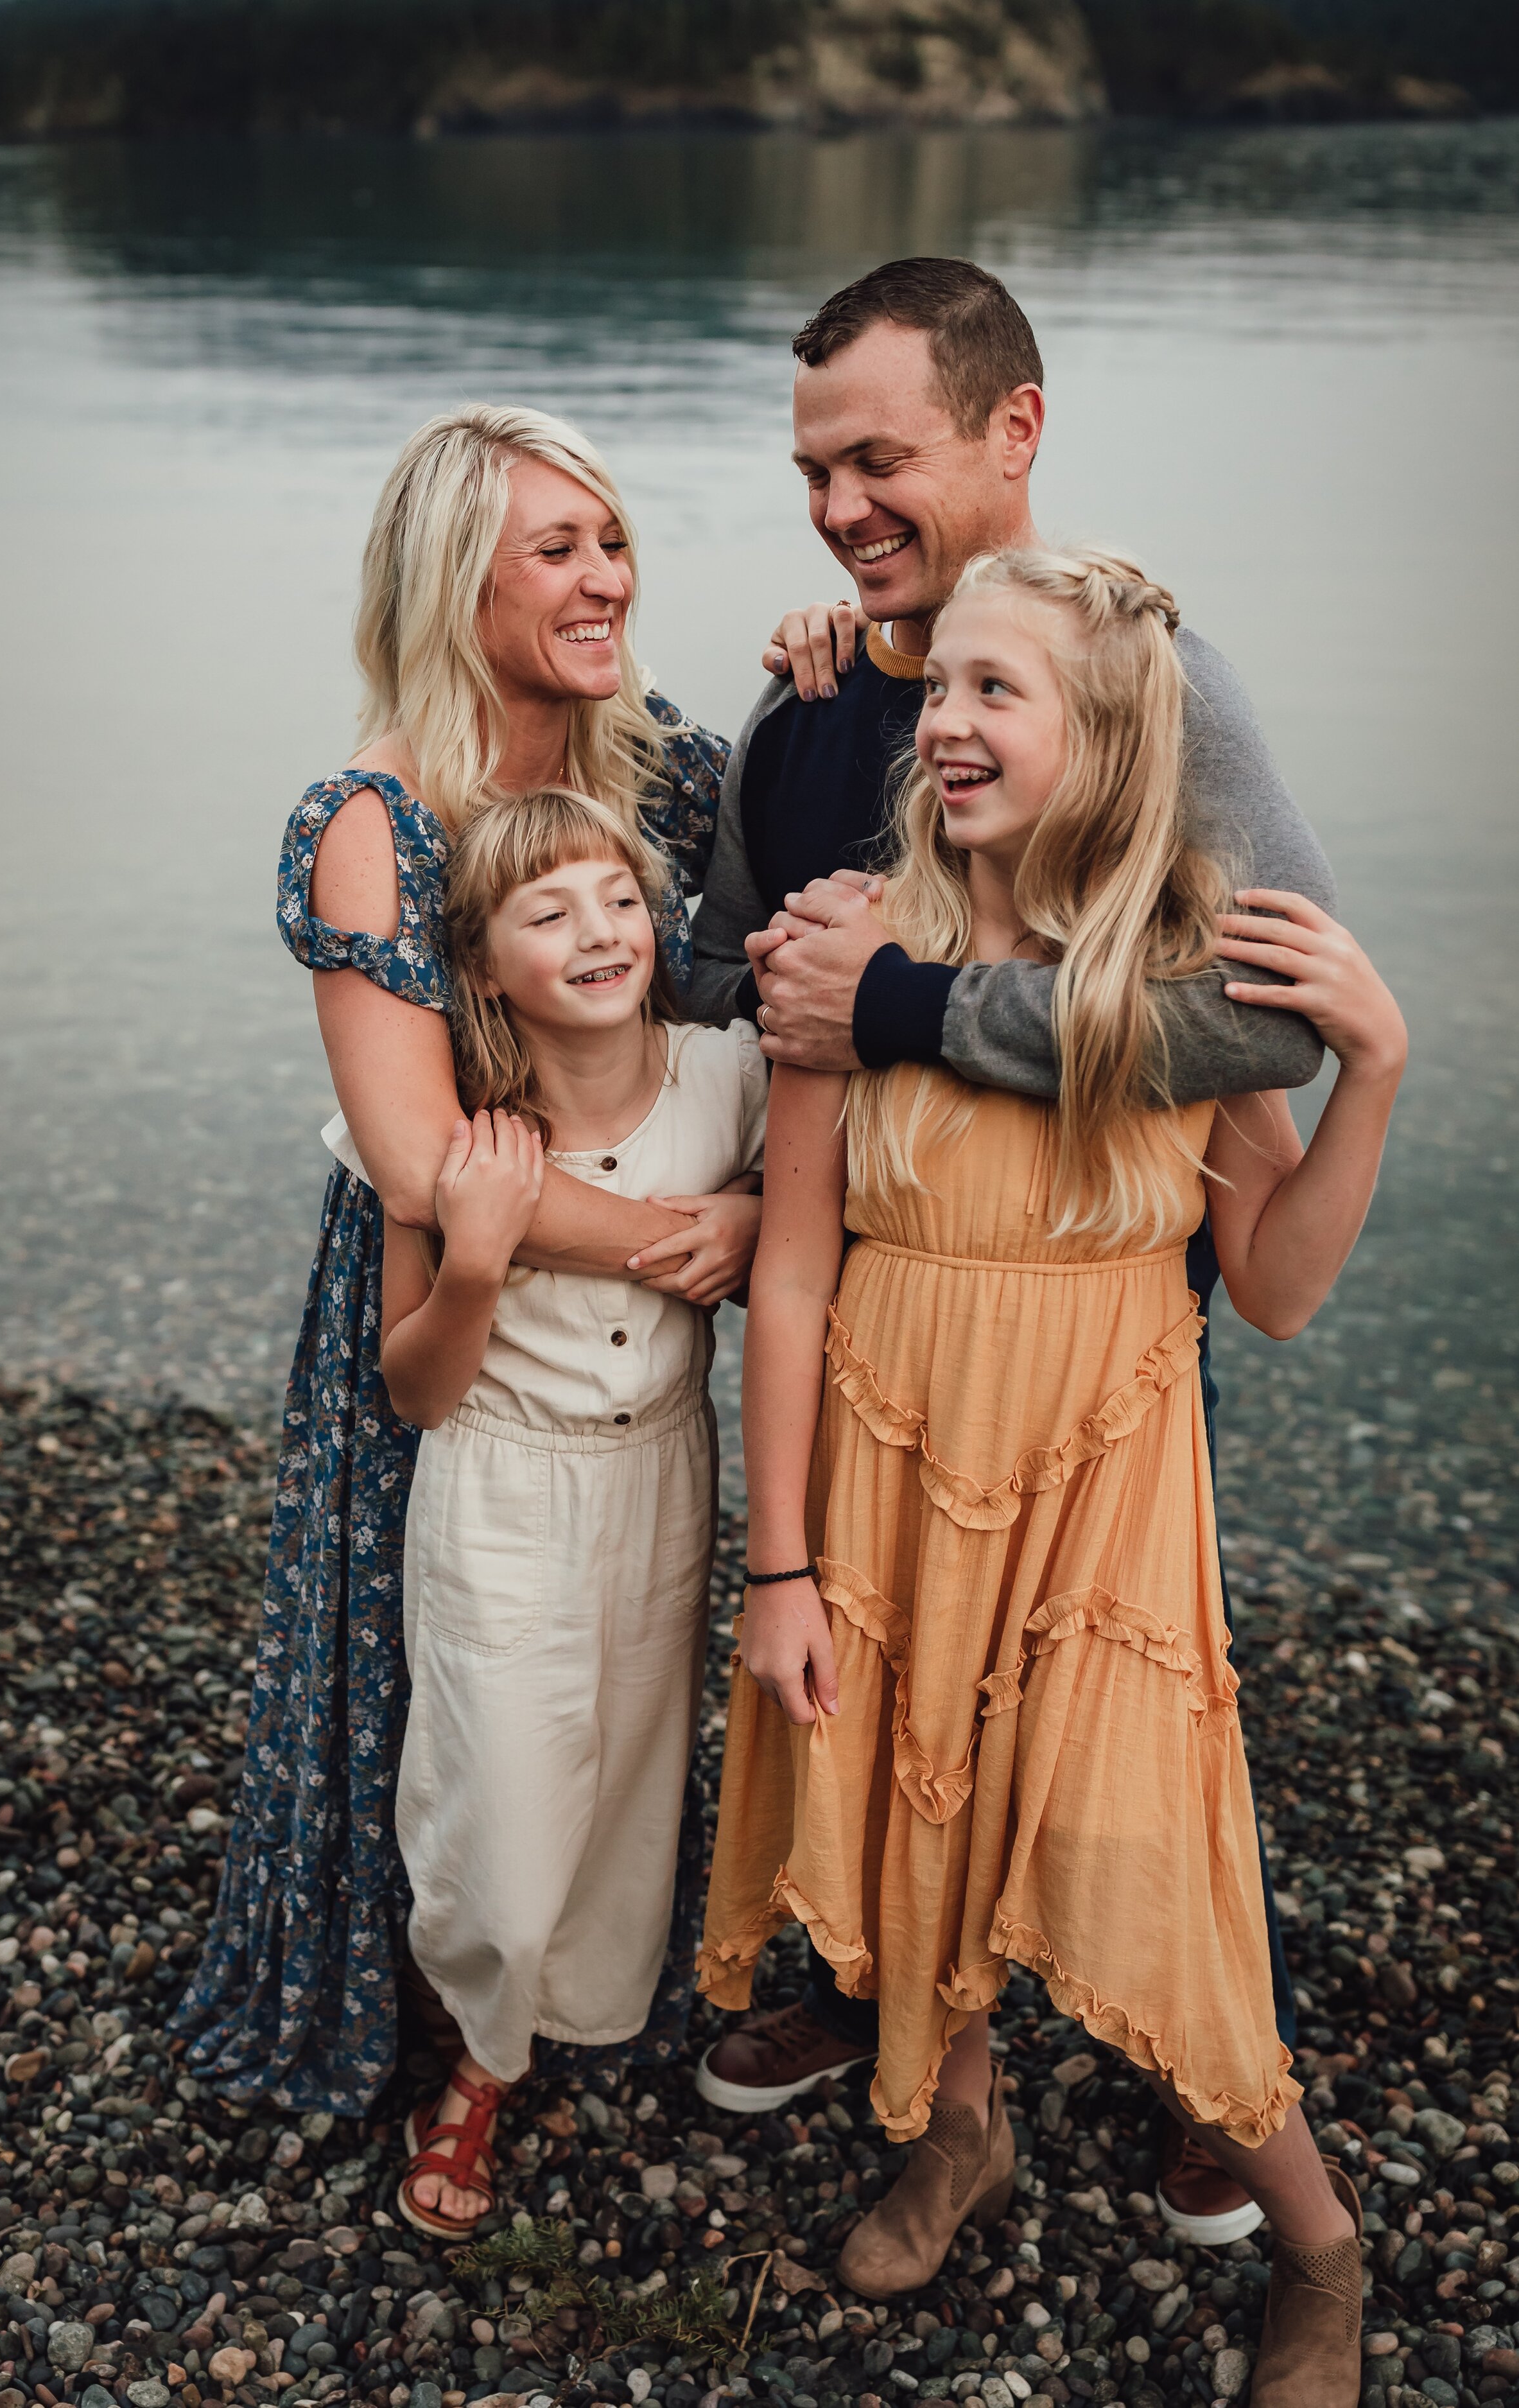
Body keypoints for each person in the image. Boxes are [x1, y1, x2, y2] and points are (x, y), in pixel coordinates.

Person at [700, 548, 1405, 2402]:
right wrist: (777, 1568)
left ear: (1105, 744)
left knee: (1132, 1852)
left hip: (1104, 1506)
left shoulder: (1173, 993)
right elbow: (785, 1274)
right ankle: (956, 2129)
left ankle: (1321, 2251)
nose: (942, 719)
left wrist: (1378, 1073)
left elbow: (1272, 1286)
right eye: (941, 692)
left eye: (997, 692)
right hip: (886, 1476)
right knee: (912, 1819)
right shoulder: (846, 944)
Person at [688, 254, 1321, 2246]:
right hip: (887, 1331)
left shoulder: (1149, 673)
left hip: (1099, 1339)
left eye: (880, 457)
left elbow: (1261, 1018)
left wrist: (900, 1014)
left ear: (1010, 430)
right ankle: (909, 2036)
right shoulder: (820, 699)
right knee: (905, 1722)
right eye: (815, 468)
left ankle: (1195, 2065)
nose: (841, 503)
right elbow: (742, 974)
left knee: (1116, 1751)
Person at [171, 402, 839, 2111]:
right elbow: (412, 1153)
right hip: (448, 1277)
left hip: (647, 1304)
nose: (606, 576)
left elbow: (814, 875)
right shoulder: (373, 818)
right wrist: (698, 1240)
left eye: (610, 539)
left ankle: (583, 1982)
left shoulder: (665, 767)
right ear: (455, 576)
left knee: (604, 1686)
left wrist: (858, 655)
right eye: (558, 548)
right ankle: (428, 1998)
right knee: (438, 1664)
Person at [372, 786, 768, 2238]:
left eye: (617, 900)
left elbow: (822, 1197)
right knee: (501, 1776)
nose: (599, 933)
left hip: (662, 1471)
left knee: (628, 1766)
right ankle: (478, 2052)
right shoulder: (463, 1141)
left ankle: (582, 2014)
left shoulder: (730, 1082)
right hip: (497, 1480)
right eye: (548, 914)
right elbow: (413, 1391)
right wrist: (475, 1266)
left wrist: (751, 1211)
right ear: (483, 967)